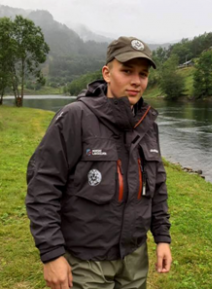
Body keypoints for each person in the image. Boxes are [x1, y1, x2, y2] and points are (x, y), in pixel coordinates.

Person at [26, 36, 172, 289]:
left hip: (134, 258)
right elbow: (43, 186)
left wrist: (162, 237)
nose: (136, 81)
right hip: (85, 261)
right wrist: (51, 253)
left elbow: (157, 187)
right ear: (107, 73)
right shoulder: (75, 117)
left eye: (143, 74)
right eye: (126, 71)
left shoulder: (148, 125)